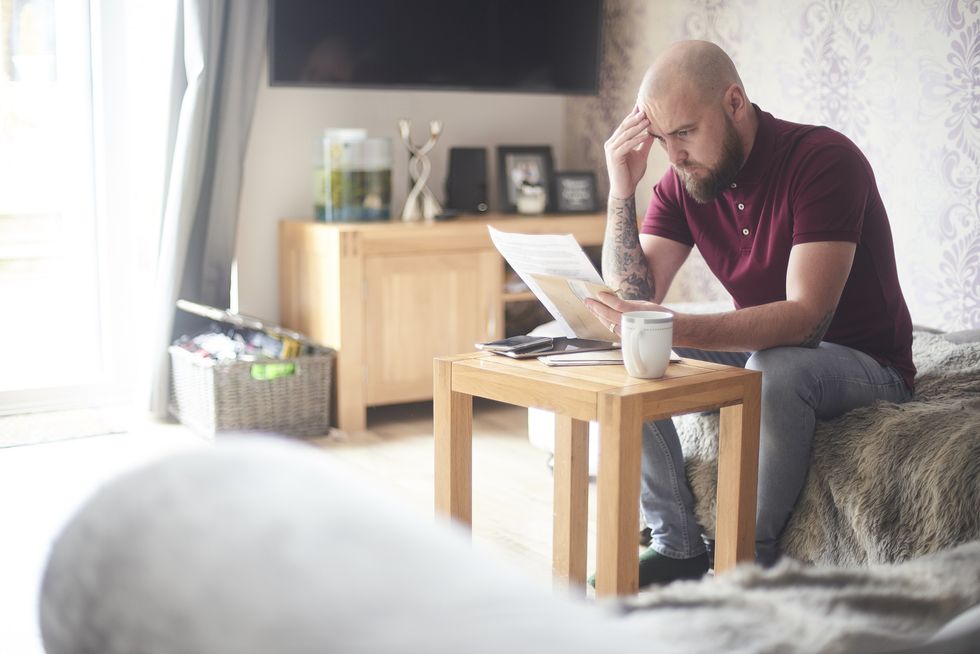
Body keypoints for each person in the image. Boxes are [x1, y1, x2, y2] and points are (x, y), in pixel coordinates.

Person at [585, 40, 915, 587]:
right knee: (624, 342)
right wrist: (623, 188)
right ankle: (678, 542)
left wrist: (668, 326)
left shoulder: (823, 160)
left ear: (734, 102)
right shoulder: (685, 180)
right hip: (770, 347)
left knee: (774, 369)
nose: (674, 154)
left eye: (685, 132)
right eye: (662, 140)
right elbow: (633, 292)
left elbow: (806, 319)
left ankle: (744, 561)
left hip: (866, 361)